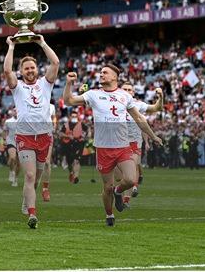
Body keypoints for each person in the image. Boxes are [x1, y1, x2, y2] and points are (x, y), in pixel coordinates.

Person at [63, 65, 163, 226]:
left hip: (123, 147)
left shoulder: (125, 96)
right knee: (107, 187)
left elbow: (139, 118)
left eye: (105, 72)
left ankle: (119, 192)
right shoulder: (94, 94)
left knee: (130, 180)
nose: (101, 74)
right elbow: (69, 101)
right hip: (103, 149)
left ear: (115, 77)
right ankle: (109, 215)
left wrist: (153, 135)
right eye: (100, 72)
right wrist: (68, 83)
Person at [3, 35, 60, 229]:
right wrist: (11, 47)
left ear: (37, 69)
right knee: (29, 175)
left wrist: (42, 42)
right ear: (21, 71)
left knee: (36, 178)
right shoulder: (17, 87)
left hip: (45, 136)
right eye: (25, 68)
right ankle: (32, 214)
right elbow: (6, 70)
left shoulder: (46, 83)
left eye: (32, 67)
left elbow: (55, 62)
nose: (29, 70)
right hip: (25, 136)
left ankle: (26, 200)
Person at [119, 82, 163, 208]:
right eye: (125, 89)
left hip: (134, 143)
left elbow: (156, 108)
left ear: (133, 93)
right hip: (117, 142)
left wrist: (160, 97)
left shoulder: (138, 105)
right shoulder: (114, 104)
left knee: (132, 170)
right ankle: (120, 193)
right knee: (119, 177)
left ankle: (126, 199)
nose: (127, 91)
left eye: (130, 89)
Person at [59, 111, 89, 185]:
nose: (74, 117)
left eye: (75, 116)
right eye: (72, 116)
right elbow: (60, 133)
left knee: (77, 160)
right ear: (70, 117)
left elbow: (88, 131)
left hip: (79, 143)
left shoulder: (81, 124)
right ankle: (71, 172)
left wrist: (85, 136)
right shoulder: (66, 125)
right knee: (69, 162)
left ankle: (76, 177)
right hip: (68, 144)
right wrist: (68, 136)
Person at [40, 101, 58, 201]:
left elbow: (54, 116)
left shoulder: (51, 106)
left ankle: (45, 189)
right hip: (33, 136)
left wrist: (54, 124)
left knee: (47, 162)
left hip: (47, 135)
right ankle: (32, 186)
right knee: (34, 166)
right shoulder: (34, 103)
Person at [3, 108, 19, 187]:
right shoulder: (8, 121)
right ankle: (12, 171)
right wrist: (4, 140)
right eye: (15, 111)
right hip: (11, 141)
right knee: (12, 158)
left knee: (19, 164)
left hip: (21, 142)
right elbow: (5, 131)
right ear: (12, 112)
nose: (16, 112)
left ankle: (15, 179)